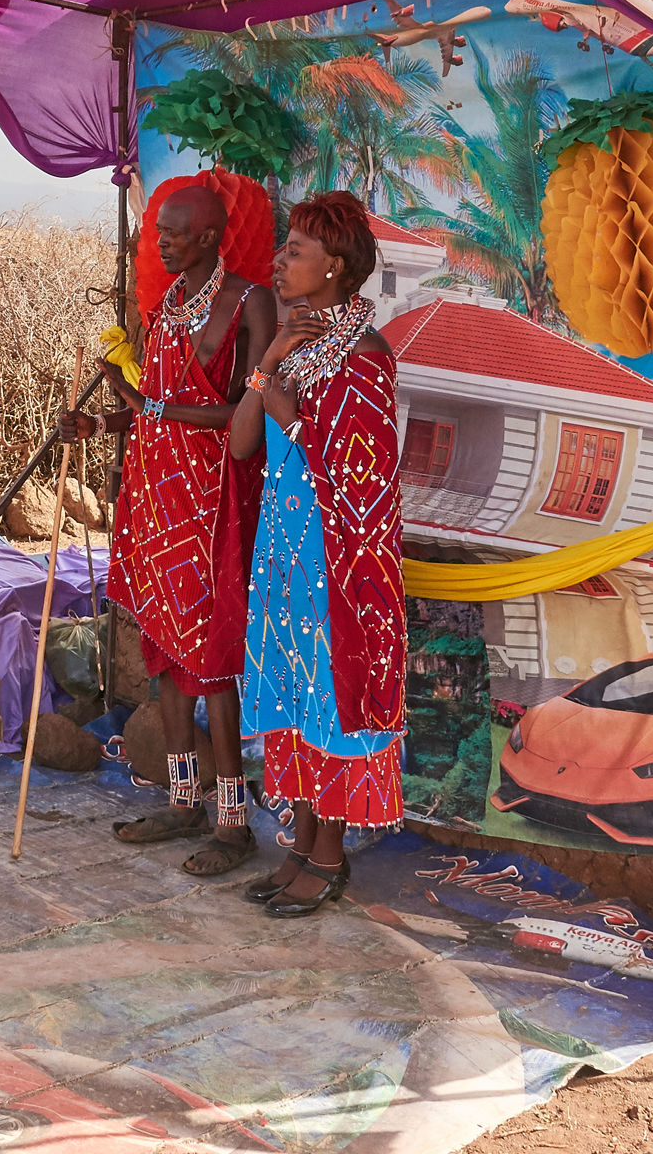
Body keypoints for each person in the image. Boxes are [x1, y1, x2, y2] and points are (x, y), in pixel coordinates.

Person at [63, 182, 275, 878]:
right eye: (158, 231)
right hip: (158, 497)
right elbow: (158, 408)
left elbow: (253, 413)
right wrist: (101, 422)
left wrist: (151, 409)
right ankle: (184, 802)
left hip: (215, 500)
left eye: (175, 232)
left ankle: (234, 824)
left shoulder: (249, 303)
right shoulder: (165, 309)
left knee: (212, 660)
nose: (161, 243)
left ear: (212, 235)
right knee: (165, 651)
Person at [229, 190, 408, 916]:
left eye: (295, 250)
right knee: (295, 695)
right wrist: (270, 361)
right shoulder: (299, 350)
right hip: (286, 551)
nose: (279, 261)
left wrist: (285, 411)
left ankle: (328, 858)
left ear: (335, 266)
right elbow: (243, 443)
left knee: (329, 697)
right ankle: (298, 847)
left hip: (337, 559)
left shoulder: (364, 357)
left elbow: (364, 485)